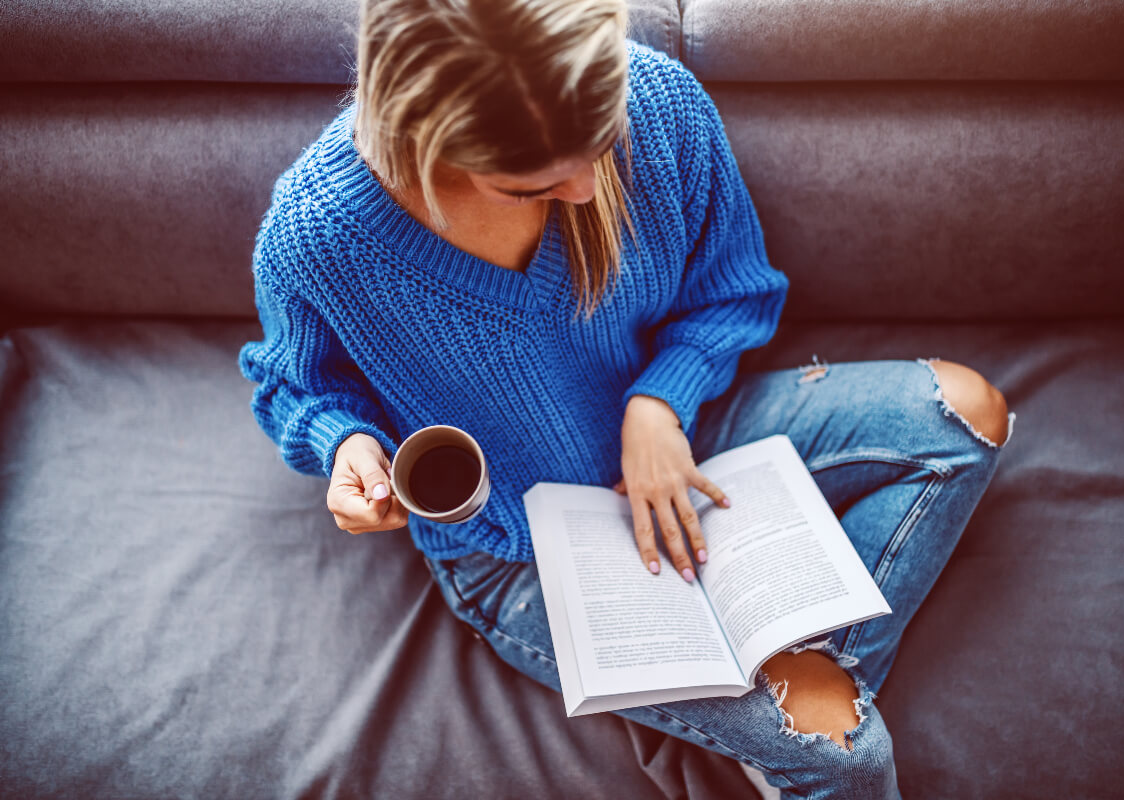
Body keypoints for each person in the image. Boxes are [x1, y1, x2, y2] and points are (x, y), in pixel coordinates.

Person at [238, 0, 1015, 796]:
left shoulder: (659, 101)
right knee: (839, 745)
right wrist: (345, 446)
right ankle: (799, 722)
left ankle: (794, 700)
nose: (583, 189)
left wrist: (660, 406)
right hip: (518, 548)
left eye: (599, 146)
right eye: (529, 184)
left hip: (696, 438)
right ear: (424, 140)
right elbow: (294, 387)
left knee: (963, 410)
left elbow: (734, 293)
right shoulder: (315, 236)